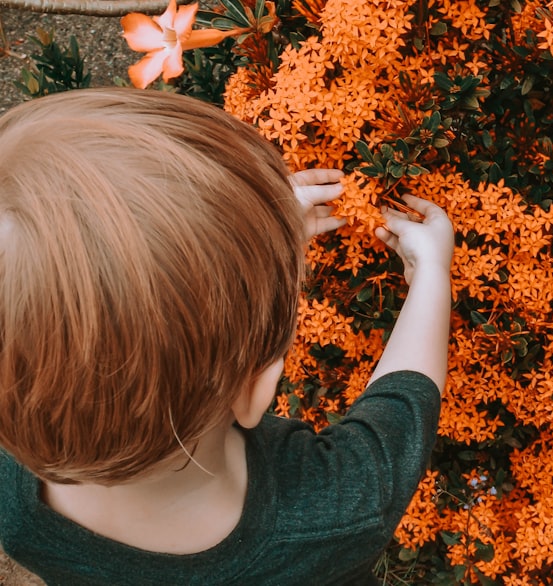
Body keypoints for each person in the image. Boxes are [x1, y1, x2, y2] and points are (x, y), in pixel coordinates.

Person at [0, 87, 453, 585]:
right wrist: (432, 275)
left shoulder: (14, 506)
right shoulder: (336, 512)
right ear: (255, 390)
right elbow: (401, 409)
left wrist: (256, 243)